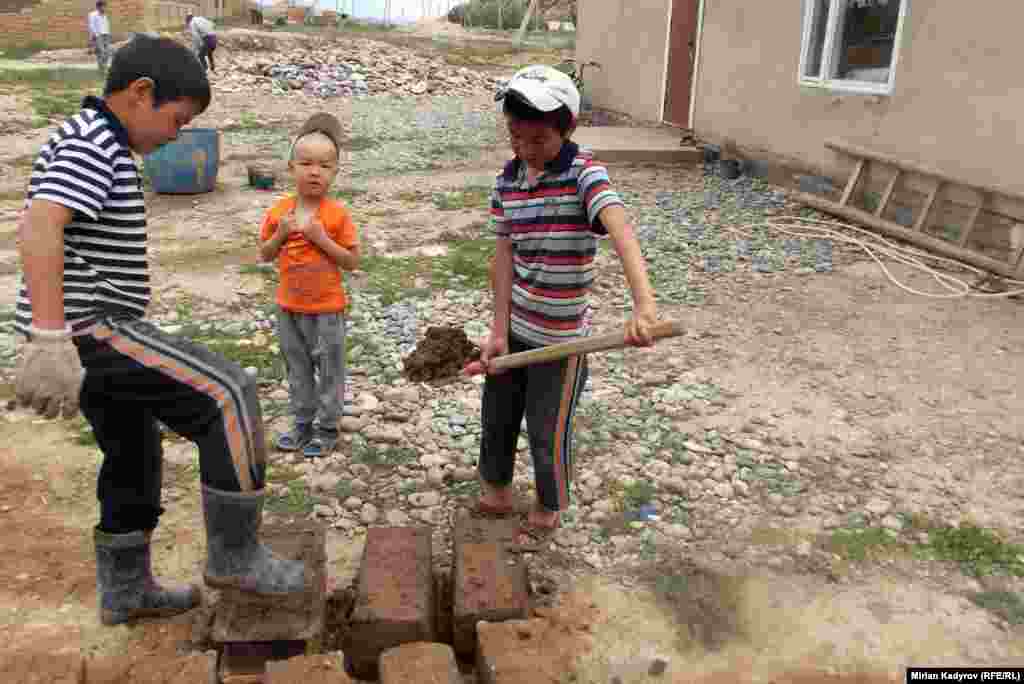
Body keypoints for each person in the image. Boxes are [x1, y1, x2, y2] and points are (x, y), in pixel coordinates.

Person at [12, 35, 306, 627]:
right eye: (177, 120)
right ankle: (235, 554)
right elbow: (40, 224)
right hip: (92, 328)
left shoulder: (100, 140)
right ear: (141, 94)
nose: (177, 134)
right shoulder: (94, 142)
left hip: (89, 328)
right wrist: (49, 338)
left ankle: (126, 590)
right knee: (228, 394)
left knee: (132, 451)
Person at [476, 64, 659, 543]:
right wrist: (498, 331)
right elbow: (503, 259)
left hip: (561, 344)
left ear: (567, 128)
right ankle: (496, 489)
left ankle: (548, 504)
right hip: (515, 332)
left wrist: (644, 308)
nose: (525, 149)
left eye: (538, 140)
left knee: (547, 430)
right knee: (497, 417)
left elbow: (621, 232)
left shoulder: (585, 175)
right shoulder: (507, 182)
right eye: (515, 137)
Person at [260, 113, 360, 459]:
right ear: (291, 168)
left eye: (324, 166)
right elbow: (265, 254)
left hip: (327, 310)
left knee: (330, 371)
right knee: (298, 368)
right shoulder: (279, 212)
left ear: (335, 173)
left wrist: (321, 239)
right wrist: (280, 234)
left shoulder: (337, 214)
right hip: (288, 307)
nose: (314, 171)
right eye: (306, 163)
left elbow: (351, 261)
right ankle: (302, 424)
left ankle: (328, 428)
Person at [87, 0, 112, 73]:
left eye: (105, 6)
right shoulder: (93, 14)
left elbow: (106, 25)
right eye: (103, 6)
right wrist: (96, 36)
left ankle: (104, 66)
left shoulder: (104, 15)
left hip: (106, 35)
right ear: (99, 7)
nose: (105, 8)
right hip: (98, 35)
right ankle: (102, 68)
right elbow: (91, 26)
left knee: (107, 52)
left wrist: (108, 35)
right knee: (101, 52)